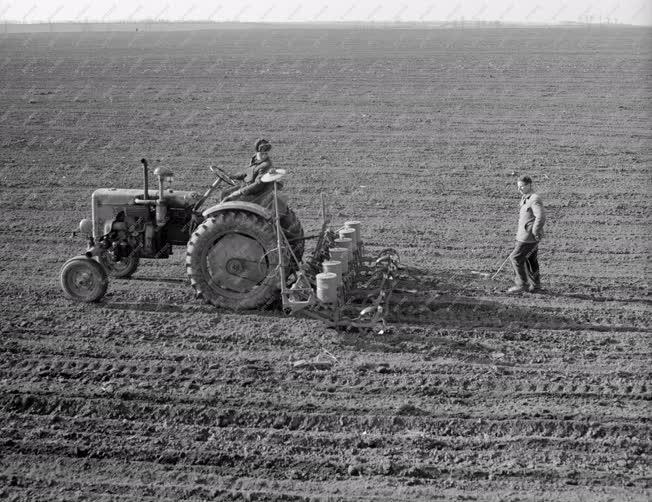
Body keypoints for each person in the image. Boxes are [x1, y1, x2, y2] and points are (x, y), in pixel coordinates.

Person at [507, 175, 546, 293]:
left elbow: (541, 216)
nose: (520, 189)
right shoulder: (526, 198)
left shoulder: (534, 199)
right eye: (518, 187)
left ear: (529, 185)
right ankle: (536, 285)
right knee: (531, 260)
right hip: (525, 235)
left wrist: (535, 231)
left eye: (522, 186)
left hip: (528, 237)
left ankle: (521, 284)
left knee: (516, 258)